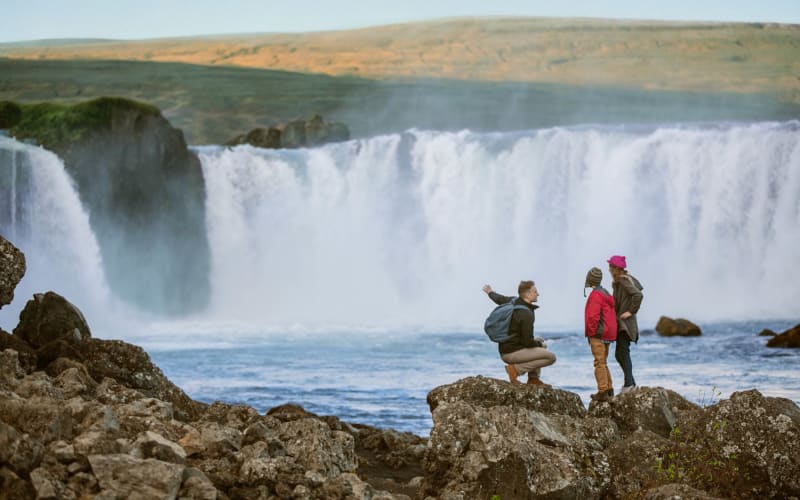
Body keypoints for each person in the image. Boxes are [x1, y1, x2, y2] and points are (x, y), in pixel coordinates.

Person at [482, 281, 556, 386]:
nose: (538, 294)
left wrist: (490, 292)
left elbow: (500, 299)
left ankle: (533, 379)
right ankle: (515, 370)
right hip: (511, 354)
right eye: (535, 292)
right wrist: (540, 344)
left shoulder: (514, 301)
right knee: (550, 357)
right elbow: (527, 342)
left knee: (539, 341)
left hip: (505, 349)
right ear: (527, 294)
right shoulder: (525, 314)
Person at [608, 255, 644, 394]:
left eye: (611, 267)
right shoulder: (624, 280)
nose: (609, 270)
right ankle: (631, 383)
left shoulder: (623, 281)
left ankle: (629, 385)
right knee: (620, 353)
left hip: (625, 324)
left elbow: (638, 295)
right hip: (624, 324)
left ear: (616, 268)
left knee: (622, 352)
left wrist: (631, 311)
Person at [584, 267, 617, 402]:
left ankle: (603, 391)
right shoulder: (606, 293)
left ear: (589, 280)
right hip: (608, 333)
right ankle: (609, 389)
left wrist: (591, 334)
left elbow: (593, 317)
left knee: (599, 362)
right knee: (603, 362)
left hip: (598, 334)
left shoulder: (595, 295)